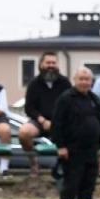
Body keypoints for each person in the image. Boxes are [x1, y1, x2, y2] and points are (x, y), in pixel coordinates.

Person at [51, 66, 100, 199]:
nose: (84, 82)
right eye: (81, 79)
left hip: (91, 151)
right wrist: (61, 146)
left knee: (88, 187)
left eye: (87, 79)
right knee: (71, 187)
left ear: (91, 82)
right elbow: (57, 124)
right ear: (75, 80)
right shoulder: (66, 99)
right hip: (72, 152)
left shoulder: (95, 99)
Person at [20, 50, 71, 179]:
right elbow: (29, 108)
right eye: (48, 62)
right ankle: (34, 164)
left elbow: (70, 106)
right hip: (39, 122)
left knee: (77, 132)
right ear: (41, 64)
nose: (51, 65)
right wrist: (42, 120)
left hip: (60, 122)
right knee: (24, 133)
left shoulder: (65, 83)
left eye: (54, 63)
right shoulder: (33, 84)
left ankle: (66, 167)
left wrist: (56, 122)